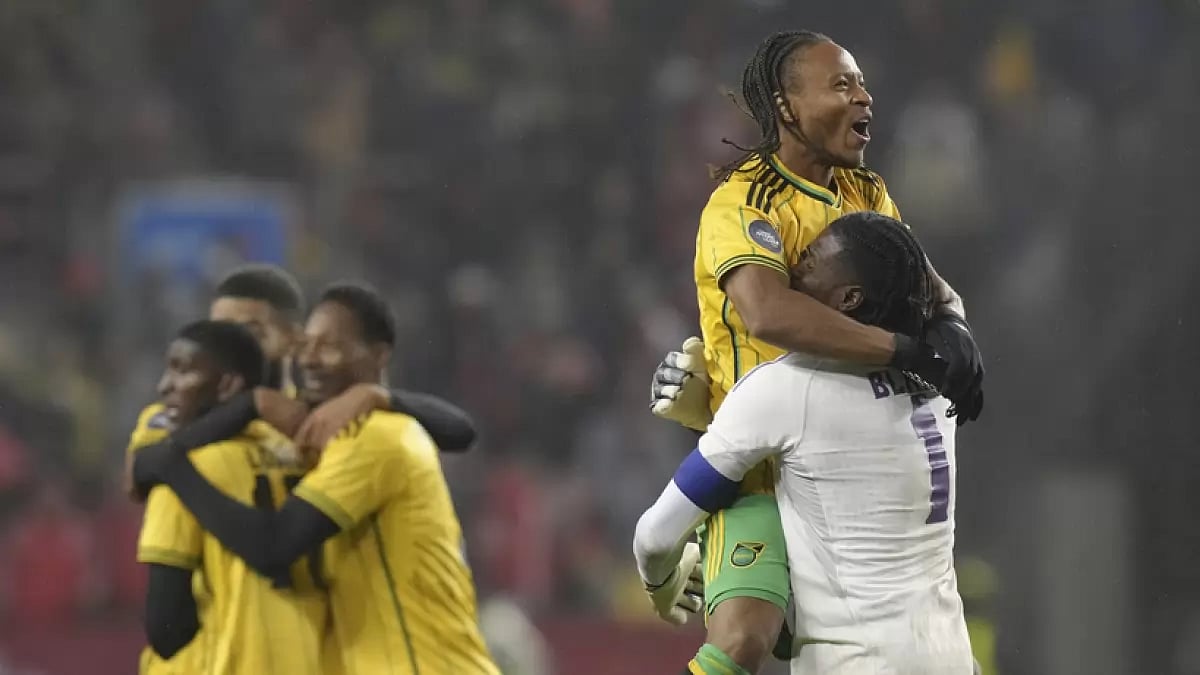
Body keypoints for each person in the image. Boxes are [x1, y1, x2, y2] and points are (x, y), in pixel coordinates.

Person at [646, 31, 984, 673]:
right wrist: (907, 350)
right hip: (756, 471)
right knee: (744, 639)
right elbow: (767, 312)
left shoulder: (867, 193)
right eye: (842, 84)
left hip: (844, 464)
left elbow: (927, 287)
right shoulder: (742, 202)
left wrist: (956, 331)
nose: (864, 97)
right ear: (786, 106)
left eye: (862, 84)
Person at [635, 212, 975, 675]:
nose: (791, 268)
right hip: (951, 657)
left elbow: (654, 537)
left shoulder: (788, 389)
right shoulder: (941, 379)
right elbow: (948, 302)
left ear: (849, 298)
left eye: (811, 262)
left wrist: (663, 584)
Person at [125, 264, 478, 675]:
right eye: (220, 329)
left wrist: (377, 395)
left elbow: (460, 431)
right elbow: (143, 469)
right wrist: (251, 405)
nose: (232, 341)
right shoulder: (180, 422)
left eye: (251, 330)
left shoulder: (323, 421)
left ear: (294, 340)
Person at [137, 320, 327, 674]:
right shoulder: (303, 454)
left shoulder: (184, 468)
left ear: (227, 385)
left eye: (182, 371)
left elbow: (166, 628)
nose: (164, 386)